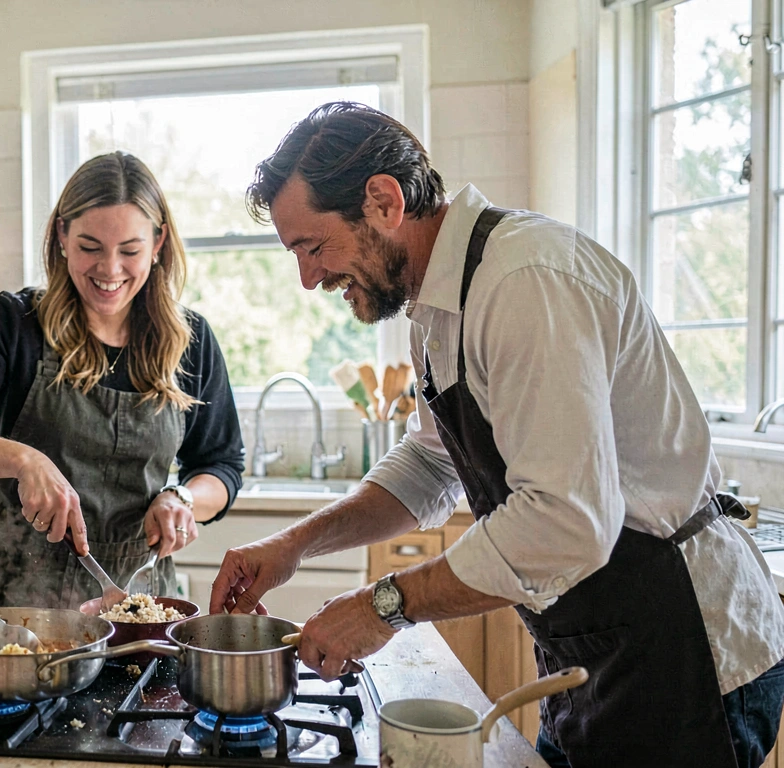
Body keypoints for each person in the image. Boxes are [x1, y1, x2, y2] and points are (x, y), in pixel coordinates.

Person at [210, 102, 784, 768]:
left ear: (384, 201)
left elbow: (565, 522)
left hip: (683, 652)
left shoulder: (524, 281)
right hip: (593, 659)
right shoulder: (437, 303)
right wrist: (294, 544)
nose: (310, 277)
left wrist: (384, 605)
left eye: (313, 246)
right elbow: (429, 468)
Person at [0, 152, 245, 608]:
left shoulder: (192, 341)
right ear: (62, 234)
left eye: (130, 250)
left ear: (159, 242)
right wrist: (24, 461)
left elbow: (221, 465)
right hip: (14, 611)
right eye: (90, 247)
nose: (109, 269)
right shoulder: (13, 323)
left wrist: (181, 498)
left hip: (138, 611)